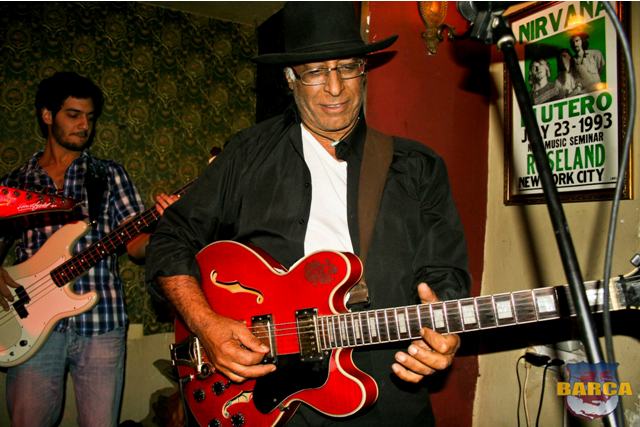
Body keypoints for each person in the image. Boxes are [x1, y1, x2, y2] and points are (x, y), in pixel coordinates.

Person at [146, 2, 470, 426]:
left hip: (388, 392)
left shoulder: (417, 167)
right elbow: (170, 238)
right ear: (289, 78)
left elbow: (445, 273)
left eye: (347, 68)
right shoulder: (247, 154)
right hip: (267, 392)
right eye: (315, 72)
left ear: (364, 70)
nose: (335, 88)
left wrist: (445, 330)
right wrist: (205, 324)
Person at [0, 71, 177, 426]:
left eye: (90, 118)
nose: (85, 125)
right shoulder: (16, 183)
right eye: (73, 115)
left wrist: (166, 228)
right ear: (47, 115)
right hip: (28, 321)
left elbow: (135, 245)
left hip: (102, 322)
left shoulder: (109, 175)